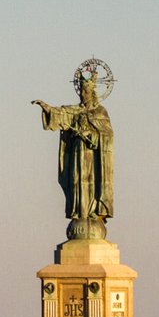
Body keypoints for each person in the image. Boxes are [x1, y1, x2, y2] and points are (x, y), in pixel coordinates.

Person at [33, 72, 114, 236]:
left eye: (85, 91)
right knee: (77, 181)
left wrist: (92, 135)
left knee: (89, 182)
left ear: (92, 93)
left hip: (91, 155)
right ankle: (80, 211)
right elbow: (61, 114)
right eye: (81, 91)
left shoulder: (100, 112)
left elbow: (108, 135)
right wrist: (47, 108)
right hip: (77, 153)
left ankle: (92, 212)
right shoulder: (75, 112)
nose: (82, 94)